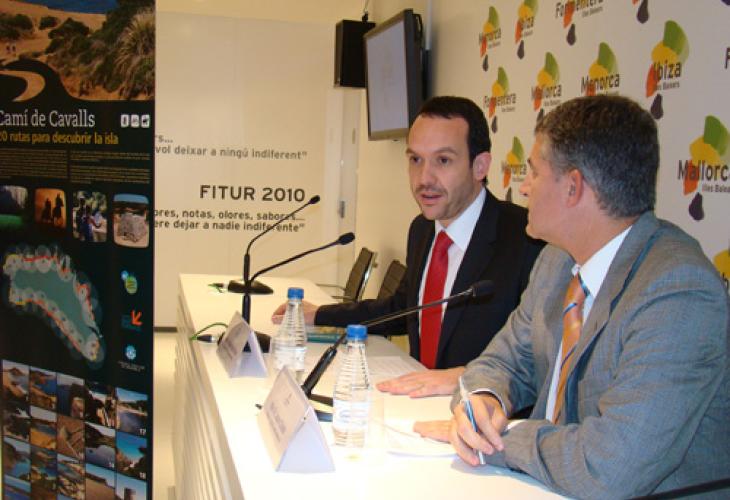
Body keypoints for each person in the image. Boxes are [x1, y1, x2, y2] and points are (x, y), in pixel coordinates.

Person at [433, 95, 729, 498]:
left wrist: (503, 439)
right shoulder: (556, 261)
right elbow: (502, 361)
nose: (523, 187)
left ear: (573, 187)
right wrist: (482, 401)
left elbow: (610, 467)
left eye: (534, 172)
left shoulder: (678, 291)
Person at [272, 96, 543, 397]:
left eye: (443, 161)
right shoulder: (422, 228)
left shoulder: (527, 240)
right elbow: (405, 309)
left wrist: (468, 380)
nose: (424, 178)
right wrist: (321, 315)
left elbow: (537, 360)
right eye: (415, 160)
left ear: (480, 166)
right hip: (415, 404)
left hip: (480, 412)